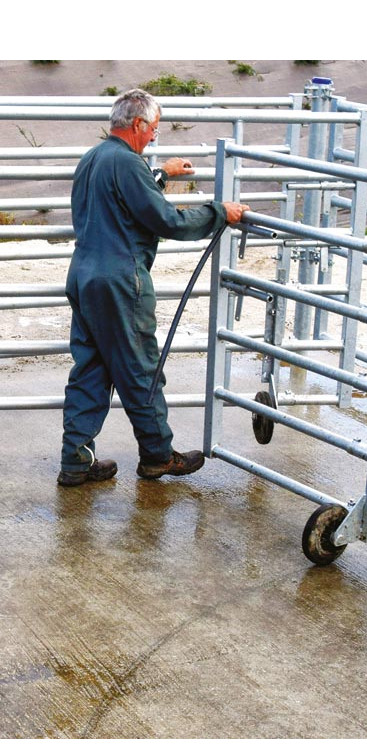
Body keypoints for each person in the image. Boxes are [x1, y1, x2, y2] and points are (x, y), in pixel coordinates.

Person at [58, 88, 250, 487]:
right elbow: (165, 221)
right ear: (139, 124)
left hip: (84, 275)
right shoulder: (127, 164)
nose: (153, 137)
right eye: (154, 129)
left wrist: (161, 174)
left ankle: (75, 460)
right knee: (140, 369)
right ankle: (157, 455)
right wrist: (219, 213)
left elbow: (124, 200)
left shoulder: (93, 159)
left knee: (90, 369)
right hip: (119, 281)